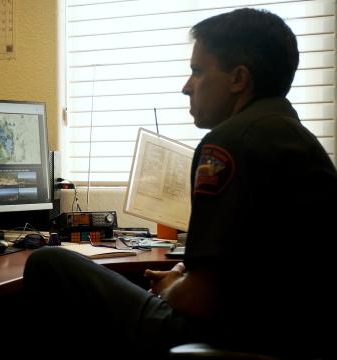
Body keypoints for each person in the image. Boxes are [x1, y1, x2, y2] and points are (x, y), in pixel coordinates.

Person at [24, 8, 337, 360]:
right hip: (288, 336)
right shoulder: (294, 139)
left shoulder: (229, 143)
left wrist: (176, 287)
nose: (187, 86)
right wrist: (186, 273)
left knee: (49, 263)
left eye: (198, 71)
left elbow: (201, 299)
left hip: (227, 337)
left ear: (238, 79)